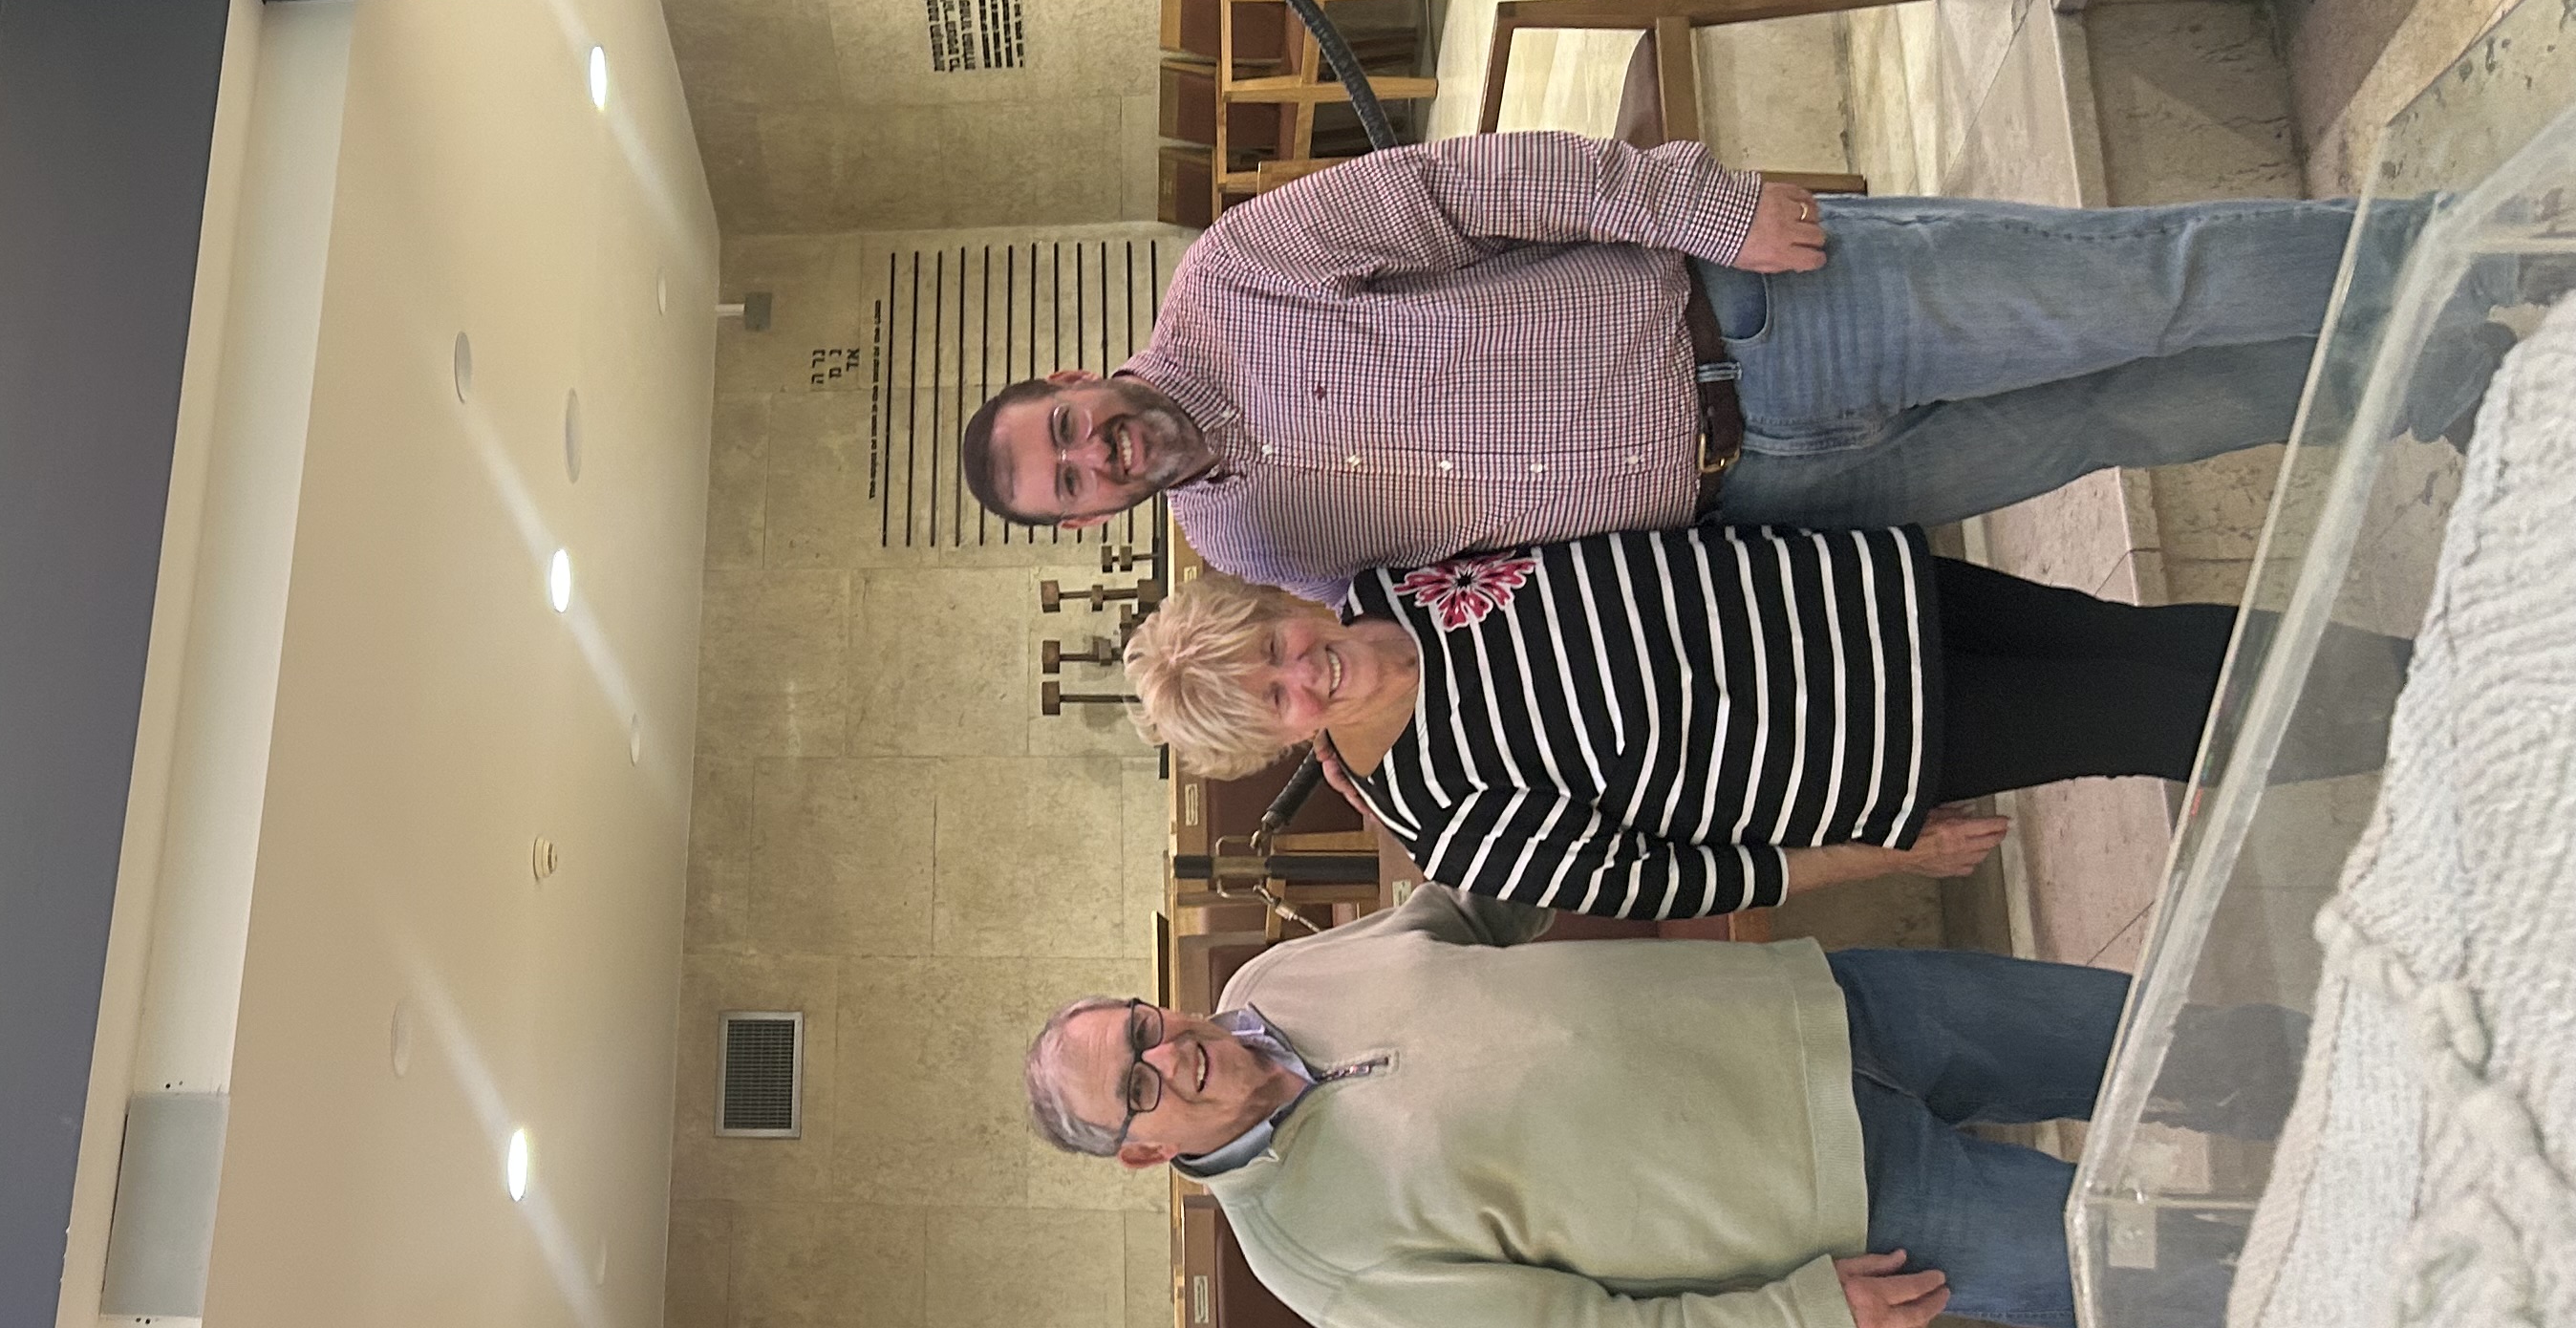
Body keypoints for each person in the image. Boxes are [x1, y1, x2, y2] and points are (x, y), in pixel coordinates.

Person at [955, 128, 2489, 599]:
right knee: (2121, 418)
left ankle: (2474, 239)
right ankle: (2436, 372)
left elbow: (1469, 189)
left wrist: (1705, 207)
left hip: (1756, 316)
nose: (1103, 456)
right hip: (1766, 487)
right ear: (1091, 525)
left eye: (1073, 427)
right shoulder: (1244, 542)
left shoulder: (1233, 275)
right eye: (1075, 485)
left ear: (1083, 376)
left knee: (2147, 288)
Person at [1021, 885, 2264, 1328]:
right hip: (1853, 1206)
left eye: (1138, 1022)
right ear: (1142, 1155)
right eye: (1134, 1086)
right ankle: (2436, 1301)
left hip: (1830, 1009)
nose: (1164, 1050)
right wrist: (1790, 1323)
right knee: (2182, 1267)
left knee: (2193, 1048)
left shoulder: (1282, 971)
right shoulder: (1313, 1260)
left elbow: (1479, 902)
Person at [1116, 530, 2344, 918]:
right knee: (2160, 715)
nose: (1304, 673)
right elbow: (1668, 884)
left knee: (2148, 638)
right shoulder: (1444, 817)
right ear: (1275, 743)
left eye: (1271, 645)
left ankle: (2422, 654)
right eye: (1274, 699)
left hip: (1864, 587)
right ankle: (2445, 706)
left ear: (1274, 601)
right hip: (1879, 733)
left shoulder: (1391, 582)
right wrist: (1886, 851)